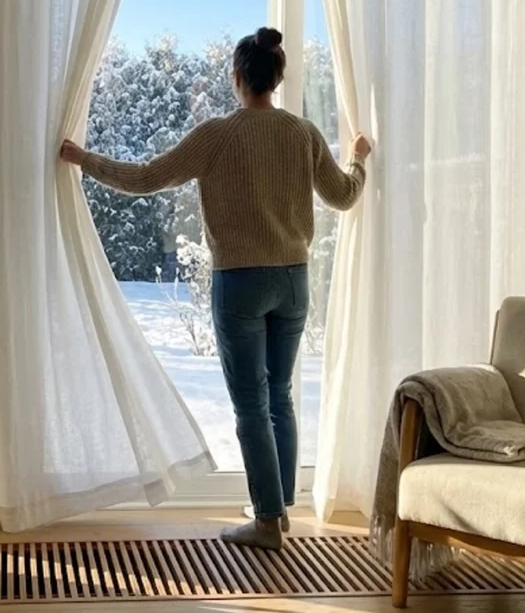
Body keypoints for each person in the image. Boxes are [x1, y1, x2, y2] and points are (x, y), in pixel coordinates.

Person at [60, 27, 371, 550]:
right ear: (277, 78)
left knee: (251, 404)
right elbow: (343, 196)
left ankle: (267, 521)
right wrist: (359, 157)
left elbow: (146, 178)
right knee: (279, 396)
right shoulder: (303, 133)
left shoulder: (218, 135)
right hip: (293, 281)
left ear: (237, 78)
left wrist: (83, 159)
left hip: (240, 283)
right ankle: (278, 508)